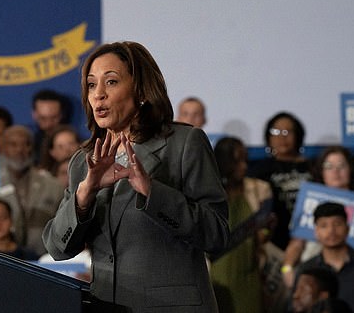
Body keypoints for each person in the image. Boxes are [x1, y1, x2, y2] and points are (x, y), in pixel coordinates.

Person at [42, 41, 229, 312]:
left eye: (112, 82)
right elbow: (58, 248)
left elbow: (217, 234)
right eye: (92, 85)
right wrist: (84, 195)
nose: (99, 95)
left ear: (141, 90)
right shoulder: (83, 162)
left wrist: (152, 192)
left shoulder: (184, 143)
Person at [0, 125, 64, 256]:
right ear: (2, 148)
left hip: (45, 262)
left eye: (27, 144)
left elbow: (63, 227)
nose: (20, 150)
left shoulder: (53, 186)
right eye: (13, 145)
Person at [282, 146, 354, 289]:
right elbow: (296, 244)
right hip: (315, 276)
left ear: (351, 169)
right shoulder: (308, 200)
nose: (335, 171)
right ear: (321, 171)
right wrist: (287, 269)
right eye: (329, 166)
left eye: (341, 165)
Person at [210, 136, 273, 313]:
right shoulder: (208, 192)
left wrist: (267, 230)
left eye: (245, 160)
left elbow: (265, 233)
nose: (243, 166)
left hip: (250, 270)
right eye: (236, 162)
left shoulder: (260, 189)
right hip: (216, 271)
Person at [248, 111, 313, 250]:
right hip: (274, 240)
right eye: (276, 131)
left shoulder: (314, 167)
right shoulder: (259, 170)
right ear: (268, 136)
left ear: (298, 135)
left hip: (311, 238)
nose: (282, 137)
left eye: (288, 131)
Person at [293, 202, 354, 313]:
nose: (331, 231)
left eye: (337, 224)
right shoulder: (306, 270)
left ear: (347, 228)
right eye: (324, 225)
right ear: (316, 232)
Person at [31, 89, 69, 163]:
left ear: (62, 114)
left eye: (54, 118)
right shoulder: (29, 143)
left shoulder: (74, 143)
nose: (49, 124)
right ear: (34, 114)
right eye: (43, 118)